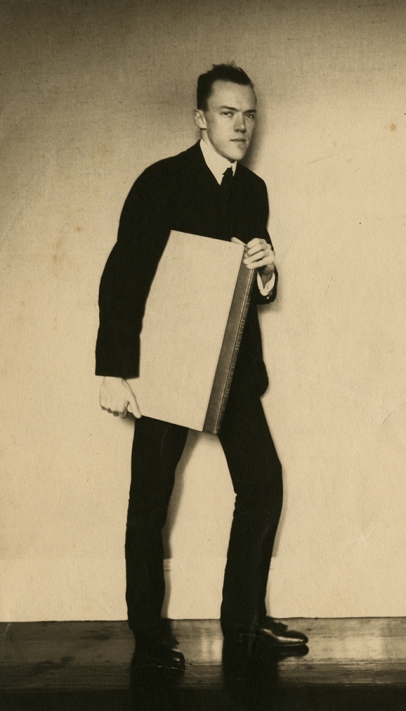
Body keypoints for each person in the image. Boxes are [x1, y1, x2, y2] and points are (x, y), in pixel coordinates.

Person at [96, 63, 308, 672]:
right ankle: (148, 637)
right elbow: (122, 277)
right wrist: (113, 370)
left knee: (263, 484)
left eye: (249, 115)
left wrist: (267, 272)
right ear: (200, 118)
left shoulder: (253, 189)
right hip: (165, 368)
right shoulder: (160, 181)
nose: (241, 126)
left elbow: (252, 286)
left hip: (230, 367)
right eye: (227, 113)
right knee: (150, 501)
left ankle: (243, 625)